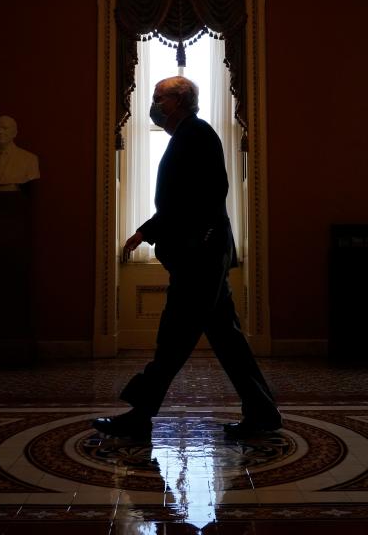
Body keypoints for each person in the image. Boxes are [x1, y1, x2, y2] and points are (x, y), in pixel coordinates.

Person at [92, 76, 281, 440]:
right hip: (204, 256)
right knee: (228, 341)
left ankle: (140, 414)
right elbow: (181, 202)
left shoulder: (196, 135)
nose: (154, 104)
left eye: (158, 97)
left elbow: (204, 199)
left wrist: (161, 234)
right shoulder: (188, 136)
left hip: (201, 259)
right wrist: (147, 231)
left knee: (174, 338)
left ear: (178, 101)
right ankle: (262, 413)